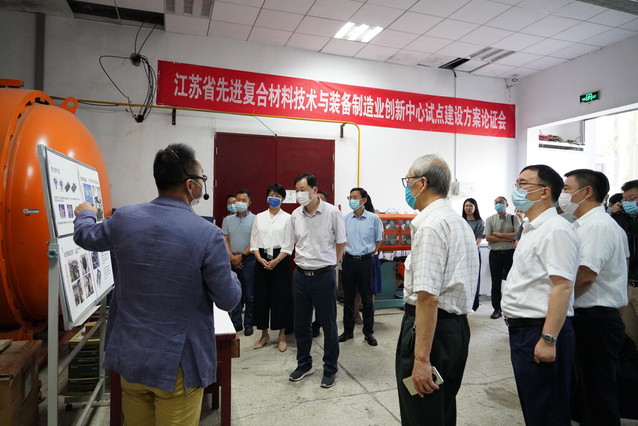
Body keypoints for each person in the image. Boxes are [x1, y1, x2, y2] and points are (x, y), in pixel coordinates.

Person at [73, 144, 241, 425]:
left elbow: (86, 236)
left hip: (131, 356)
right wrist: (230, 272)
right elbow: (228, 299)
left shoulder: (124, 218)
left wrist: (86, 213)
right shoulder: (207, 234)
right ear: (190, 185)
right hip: (178, 363)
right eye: (202, 178)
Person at [396, 155, 479, 426]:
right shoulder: (457, 222)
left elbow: (428, 298)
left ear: (422, 183)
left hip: (431, 332)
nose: (407, 187)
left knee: (421, 413)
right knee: (441, 409)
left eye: (408, 181)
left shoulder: (431, 226)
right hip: (455, 330)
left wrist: (421, 359)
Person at [502, 164, 579, 426]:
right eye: (517, 183)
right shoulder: (532, 228)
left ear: (544, 192)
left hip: (541, 330)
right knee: (535, 409)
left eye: (524, 184)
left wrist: (548, 339)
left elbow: (563, 286)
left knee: (548, 412)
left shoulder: (555, 229)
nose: (517, 189)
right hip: (524, 330)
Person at [560, 169, 628, 425]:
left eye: (567, 189)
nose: (562, 194)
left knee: (598, 392)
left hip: (595, 318)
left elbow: (586, 274)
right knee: (587, 390)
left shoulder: (597, 226)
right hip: (592, 316)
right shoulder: (584, 224)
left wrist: (558, 302)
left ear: (586, 192)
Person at [284, 173, 346, 388]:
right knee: (301, 324)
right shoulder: (295, 214)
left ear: (315, 190)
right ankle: (304, 364)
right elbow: (291, 243)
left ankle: (330, 368)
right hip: (301, 275)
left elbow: (341, 242)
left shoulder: (332, 213)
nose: (299, 194)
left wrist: (332, 264)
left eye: (302, 189)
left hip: (324, 275)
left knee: (328, 325)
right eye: (296, 190)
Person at [250, 184, 293, 352]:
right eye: (271, 195)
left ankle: (281, 336)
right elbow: (254, 241)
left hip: (280, 259)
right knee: (261, 297)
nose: (273, 198)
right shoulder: (259, 217)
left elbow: (289, 244)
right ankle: (264, 334)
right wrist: (259, 259)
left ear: (283, 198)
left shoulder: (288, 218)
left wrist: (276, 260)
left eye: (277, 195)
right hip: (261, 258)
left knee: (280, 298)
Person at [339, 187, 383, 346]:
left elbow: (378, 240)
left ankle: (368, 333)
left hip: (366, 261)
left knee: (367, 298)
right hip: (349, 261)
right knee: (348, 298)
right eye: (350, 197)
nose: (352, 200)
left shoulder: (373, 219)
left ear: (363, 200)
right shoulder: (345, 219)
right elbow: (341, 240)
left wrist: (369, 252)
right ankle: (348, 331)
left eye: (355, 197)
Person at [222, 189, 256, 335]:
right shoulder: (227, 220)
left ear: (249, 203)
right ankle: (236, 323)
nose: (239, 202)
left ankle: (248, 323)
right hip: (231, 258)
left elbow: (255, 240)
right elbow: (225, 239)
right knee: (234, 292)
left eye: (243, 200)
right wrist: (231, 256)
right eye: (238, 200)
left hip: (249, 259)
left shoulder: (255, 219)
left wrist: (241, 256)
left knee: (249, 294)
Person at [610, 180, 638, 346]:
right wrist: (613, 214)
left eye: (632, 199)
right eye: (625, 200)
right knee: (632, 337)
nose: (628, 203)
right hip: (628, 285)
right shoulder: (625, 218)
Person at [484, 196, 520, 319]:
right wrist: (508, 238)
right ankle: (497, 309)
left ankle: (512, 308)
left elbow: (517, 235)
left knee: (512, 282)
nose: (498, 204)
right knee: (496, 284)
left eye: (500, 202)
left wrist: (498, 235)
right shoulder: (490, 219)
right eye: (496, 202)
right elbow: (488, 237)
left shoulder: (514, 218)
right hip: (495, 255)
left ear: (506, 205)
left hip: (510, 254)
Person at [462, 198, 484, 311]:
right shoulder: (461, 220)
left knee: (474, 278)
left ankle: (474, 304)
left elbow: (479, 239)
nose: (468, 208)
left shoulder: (479, 222)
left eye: (470, 206)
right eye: (466, 206)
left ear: (475, 207)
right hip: (461, 254)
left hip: (474, 254)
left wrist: (471, 249)